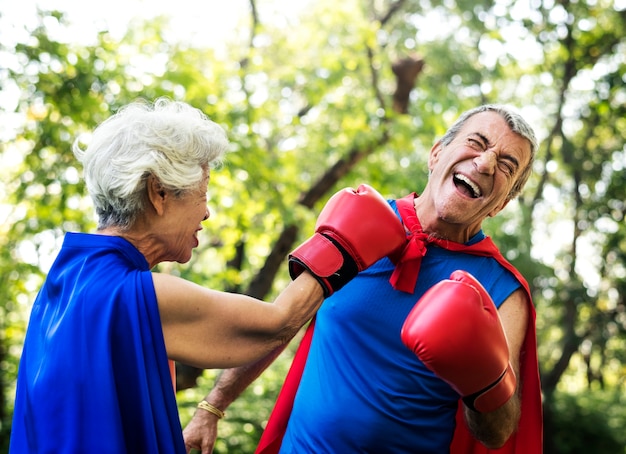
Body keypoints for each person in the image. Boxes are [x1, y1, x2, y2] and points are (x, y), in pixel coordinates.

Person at [9, 98, 407, 453]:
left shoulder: (67, 277)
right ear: (158, 193)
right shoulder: (134, 294)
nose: (206, 212)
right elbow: (273, 326)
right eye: (203, 192)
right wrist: (341, 244)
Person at [183, 104, 543, 454]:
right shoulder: (359, 220)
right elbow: (281, 323)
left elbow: (498, 434)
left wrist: (484, 378)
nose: (485, 163)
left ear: (501, 204)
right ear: (436, 154)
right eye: (476, 143)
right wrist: (212, 407)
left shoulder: (503, 292)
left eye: (506, 165)